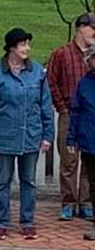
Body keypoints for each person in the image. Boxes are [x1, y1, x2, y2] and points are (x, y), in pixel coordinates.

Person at [0, 28, 54, 240]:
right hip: (4, 137)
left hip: (31, 135)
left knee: (28, 181)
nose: (27, 49)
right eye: (23, 45)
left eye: (28, 44)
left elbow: (45, 106)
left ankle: (27, 222)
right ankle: (1, 222)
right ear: (12, 47)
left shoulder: (37, 71)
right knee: (2, 182)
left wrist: (47, 135)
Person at [47, 12, 95, 221]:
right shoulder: (61, 54)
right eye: (93, 28)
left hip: (90, 115)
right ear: (81, 28)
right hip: (69, 112)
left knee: (90, 161)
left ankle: (86, 202)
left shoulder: (94, 56)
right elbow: (51, 82)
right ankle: (67, 202)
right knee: (69, 159)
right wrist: (63, 108)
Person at [67, 43, 95, 240]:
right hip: (89, 140)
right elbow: (75, 112)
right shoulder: (84, 84)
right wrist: (72, 137)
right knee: (93, 184)